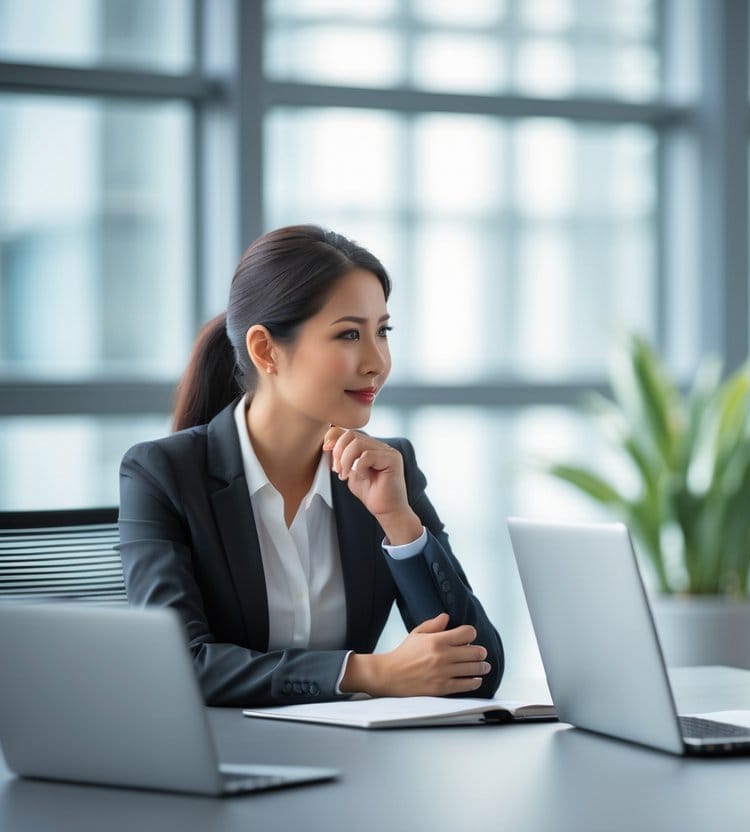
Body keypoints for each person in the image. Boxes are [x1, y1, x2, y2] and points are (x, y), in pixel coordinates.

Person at [119, 224, 503, 707]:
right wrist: (368, 672)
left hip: (357, 764)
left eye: (382, 331)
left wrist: (399, 524)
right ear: (265, 350)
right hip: (221, 763)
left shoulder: (388, 468)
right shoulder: (162, 474)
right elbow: (177, 666)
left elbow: (477, 671)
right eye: (348, 335)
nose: (376, 362)